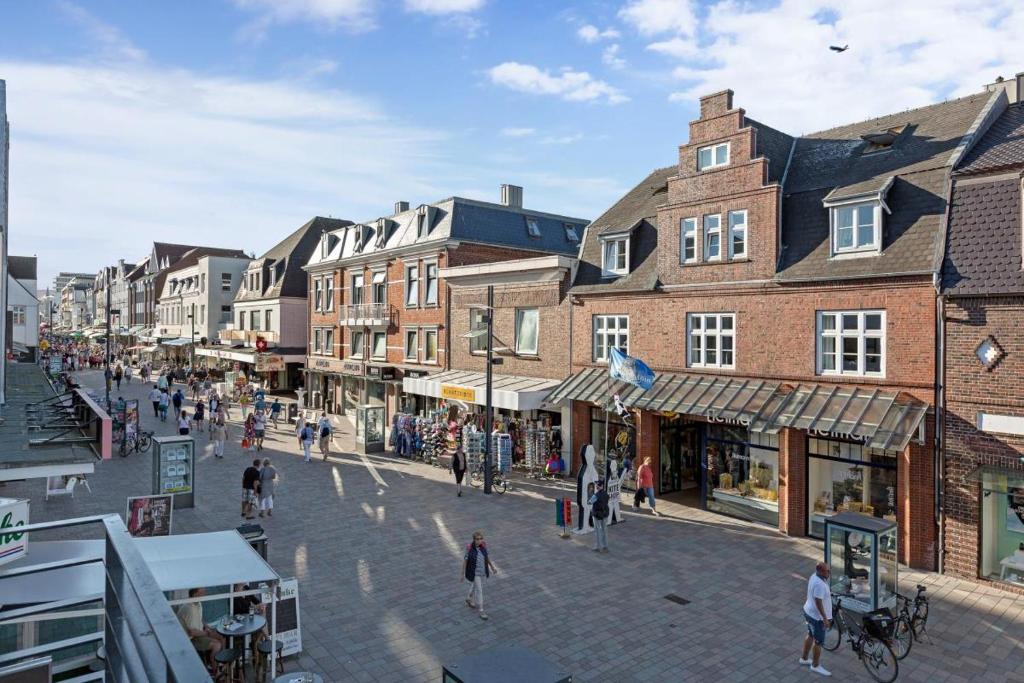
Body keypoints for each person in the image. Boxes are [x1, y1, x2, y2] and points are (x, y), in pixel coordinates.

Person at [176, 587, 225, 669]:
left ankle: (221, 664)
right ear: (195, 594)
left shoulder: (197, 603)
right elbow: (191, 632)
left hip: (200, 632)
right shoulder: (189, 608)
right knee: (217, 645)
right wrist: (207, 633)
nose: (204, 594)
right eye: (202, 592)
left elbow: (200, 618)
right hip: (191, 639)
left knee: (222, 637)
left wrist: (206, 626)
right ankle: (216, 672)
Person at [800, 562, 833, 677]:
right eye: (827, 571)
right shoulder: (819, 584)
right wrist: (825, 618)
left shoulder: (814, 576)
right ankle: (815, 665)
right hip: (817, 618)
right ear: (820, 571)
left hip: (808, 612)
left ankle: (804, 658)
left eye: (829, 570)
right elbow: (818, 602)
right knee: (818, 642)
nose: (829, 572)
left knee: (810, 634)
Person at [462, 530, 496, 620]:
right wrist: (462, 573)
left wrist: (492, 567)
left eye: (481, 539)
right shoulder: (469, 548)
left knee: (475, 584)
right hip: (474, 572)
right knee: (479, 590)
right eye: (477, 539)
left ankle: (469, 597)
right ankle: (481, 610)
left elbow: (487, 557)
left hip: (482, 571)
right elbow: (465, 561)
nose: (479, 540)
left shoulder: (483, 546)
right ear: (474, 539)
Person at [589, 480, 610, 553]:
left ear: (598, 486)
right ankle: (605, 546)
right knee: (604, 530)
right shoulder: (606, 494)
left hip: (597, 514)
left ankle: (598, 546)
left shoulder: (595, 495)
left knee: (597, 530)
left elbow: (590, 502)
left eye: (596, 485)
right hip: (605, 514)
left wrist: (591, 492)